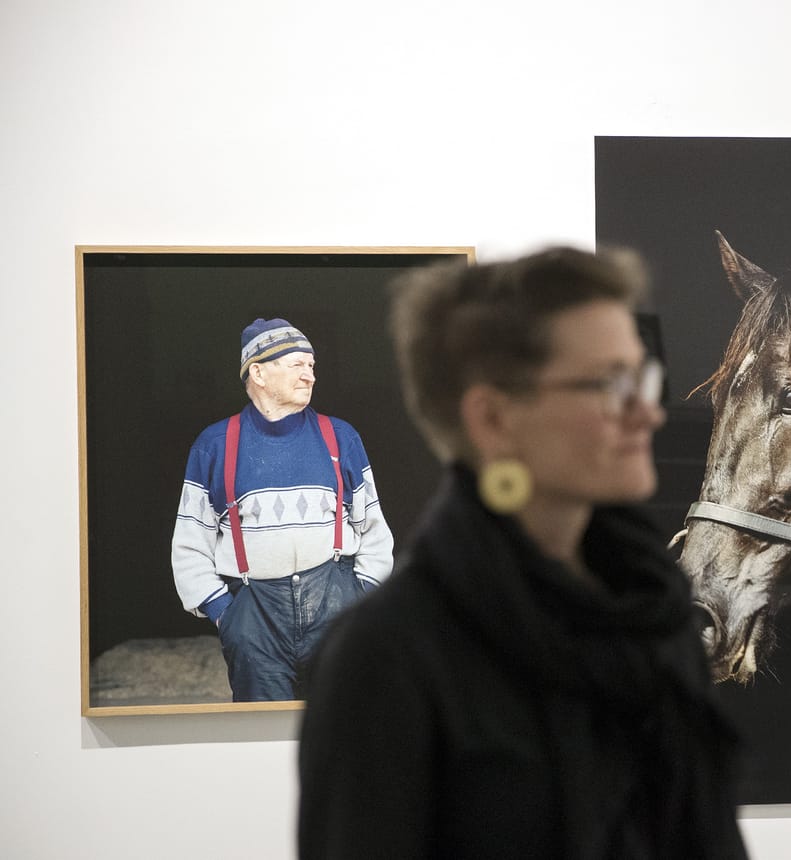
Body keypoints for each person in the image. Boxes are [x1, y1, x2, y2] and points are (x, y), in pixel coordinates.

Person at [297, 248, 747, 858]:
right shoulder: (387, 657)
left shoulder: (653, 612)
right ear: (495, 418)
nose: (648, 411)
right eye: (609, 384)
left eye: (643, 375)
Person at [171, 318, 394, 701]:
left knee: (342, 733)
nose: (309, 376)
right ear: (257, 372)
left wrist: (360, 597)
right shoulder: (215, 445)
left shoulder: (340, 437)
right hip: (255, 617)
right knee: (261, 742)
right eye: (297, 365)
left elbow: (374, 530)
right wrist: (228, 615)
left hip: (336, 608)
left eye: (312, 367)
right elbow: (190, 545)